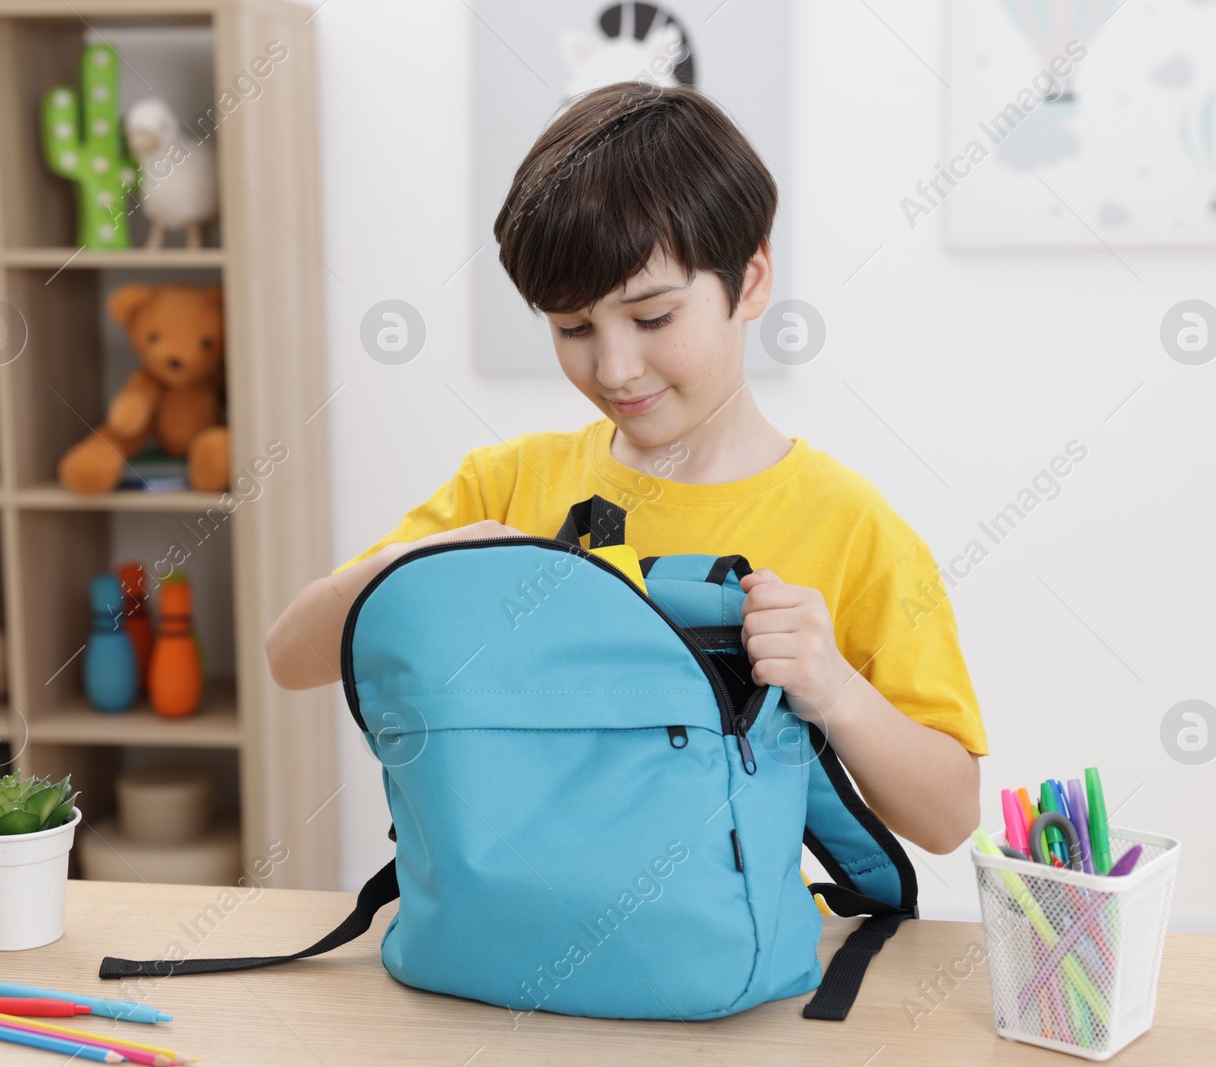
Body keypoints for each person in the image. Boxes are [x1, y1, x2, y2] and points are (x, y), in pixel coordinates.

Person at [266, 80, 986, 854]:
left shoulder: (850, 526)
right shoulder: (507, 485)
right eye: (573, 326)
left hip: (740, 960)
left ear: (751, 280)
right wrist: (412, 566)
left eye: (652, 317)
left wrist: (836, 688)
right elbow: (289, 658)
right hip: (507, 938)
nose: (614, 367)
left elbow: (948, 819)